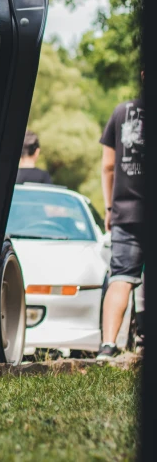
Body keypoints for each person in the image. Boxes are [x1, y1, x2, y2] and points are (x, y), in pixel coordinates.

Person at [97, 88, 145, 359]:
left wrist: (109, 208)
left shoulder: (122, 111)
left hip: (126, 212)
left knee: (121, 278)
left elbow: (108, 166)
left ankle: (108, 345)